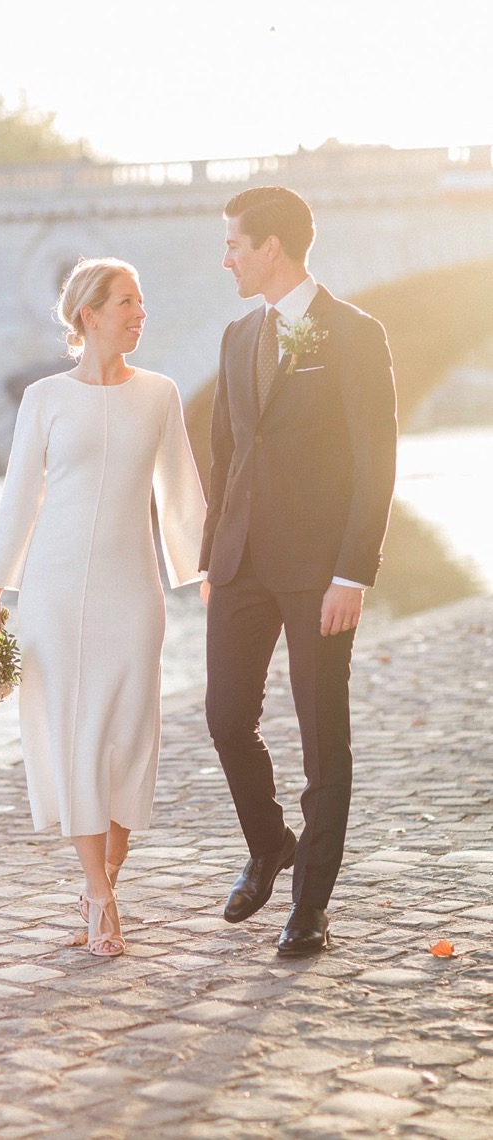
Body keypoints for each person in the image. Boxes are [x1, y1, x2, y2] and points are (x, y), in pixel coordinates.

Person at [0, 257, 206, 956]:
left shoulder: (161, 394)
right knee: (76, 736)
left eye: (142, 302)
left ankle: (102, 875)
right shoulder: (44, 398)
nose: (140, 314)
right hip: (55, 589)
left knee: (131, 737)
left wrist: (207, 576)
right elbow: (19, 498)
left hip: (133, 589)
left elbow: (182, 494)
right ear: (89, 316)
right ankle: (100, 896)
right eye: (128, 303)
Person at [202, 186, 397, 955]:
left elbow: (375, 459)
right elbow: (227, 453)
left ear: (271, 247)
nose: (225, 259)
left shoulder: (354, 332)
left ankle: (310, 906)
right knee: (224, 719)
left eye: (233, 246)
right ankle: (269, 843)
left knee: (323, 738)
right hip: (242, 564)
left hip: (321, 572)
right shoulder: (234, 335)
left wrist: (354, 570)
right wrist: (216, 554)